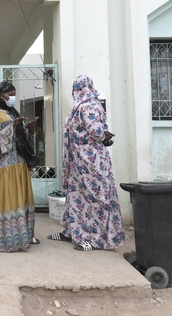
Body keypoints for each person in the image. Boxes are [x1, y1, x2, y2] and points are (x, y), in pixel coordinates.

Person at [49, 75, 125, 251]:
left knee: (95, 197)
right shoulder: (81, 107)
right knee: (76, 196)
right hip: (79, 162)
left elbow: (97, 133)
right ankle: (71, 232)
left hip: (91, 163)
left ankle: (95, 239)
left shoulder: (88, 106)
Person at [0, 81, 41, 252]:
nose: (12, 97)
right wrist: (11, 128)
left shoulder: (13, 112)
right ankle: (8, 239)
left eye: (14, 94)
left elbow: (21, 138)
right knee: (8, 200)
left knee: (22, 199)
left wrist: (28, 130)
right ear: (0, 96)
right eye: (9, 94)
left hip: (19, 164)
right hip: (4, 167)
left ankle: (25, 236)